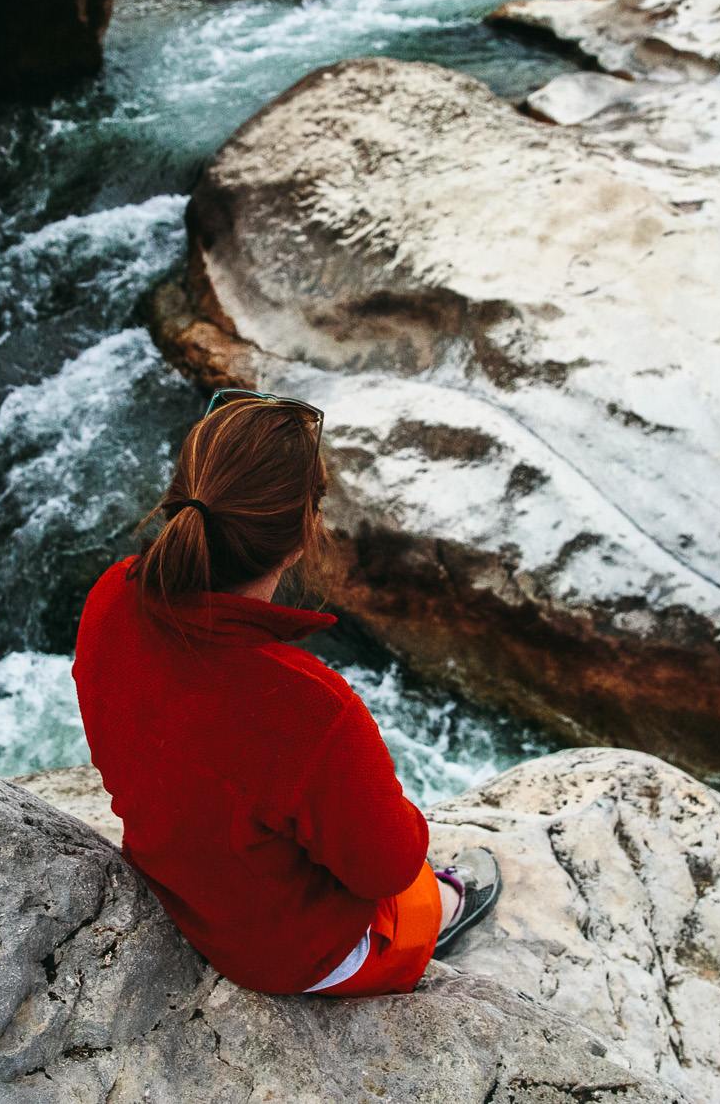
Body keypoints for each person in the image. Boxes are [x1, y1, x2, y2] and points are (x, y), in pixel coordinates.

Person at [72, 387, 500, 998]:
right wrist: (392, 811)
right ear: (303, 534)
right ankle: (446, 910)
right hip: (284, 956)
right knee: (415, 882)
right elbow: (387, 864)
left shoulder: (111, 595)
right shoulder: (309, 708)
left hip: (170, 881)